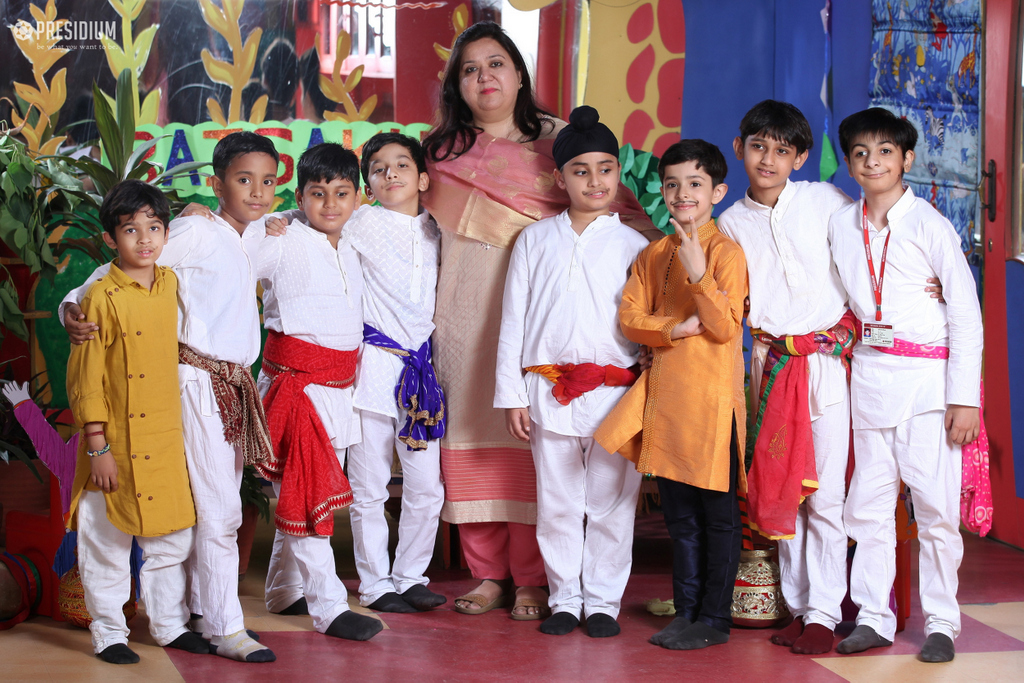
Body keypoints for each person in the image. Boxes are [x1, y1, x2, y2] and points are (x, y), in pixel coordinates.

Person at [421, 20, 658, 618]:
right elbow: (402, 225)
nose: (484, 77)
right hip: (462, 313)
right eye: (469, 69)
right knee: (472, 444)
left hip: (542, 324)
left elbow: (624, 223)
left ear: (520, 73)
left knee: (535, 455)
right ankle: (487, 575)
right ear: (458, 86)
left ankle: (533, 578)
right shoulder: (440, 153)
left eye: (495, 63)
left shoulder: (560, 146)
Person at [62, 131, 280, 663]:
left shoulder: (250, 234)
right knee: (218, 511)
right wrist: (73, 305)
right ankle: (225, 627)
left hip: (227, 386)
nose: (256, 191)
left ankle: (197, 616)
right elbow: (122, 269)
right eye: (242, 179)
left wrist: (282, 223)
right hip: (193, 383)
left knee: (203, 513)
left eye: (267, 182)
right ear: (216, 184)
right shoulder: (193, 230)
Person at [829, 107, 983, 664]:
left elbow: (966, 313)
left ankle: (942, 621)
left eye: (885, 152)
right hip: (869, 379)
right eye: (861, 154)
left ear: (907, 159)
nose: (873, 162)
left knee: (936, 508)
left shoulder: (930, 226)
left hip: (927, 386)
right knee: (866, 507)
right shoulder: (840, 226)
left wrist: (964, 398)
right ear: (849, 163)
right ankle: (874, 616)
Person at [495, 106, 648, 638]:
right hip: (547, 389)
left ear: (618, 174)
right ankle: (565, 598)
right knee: (558, 503)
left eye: (605, 168)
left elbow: (647, 329)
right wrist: (510, 394)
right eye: (581, 171)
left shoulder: (637, 247)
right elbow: (513, 318)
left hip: (615, 394)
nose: (595, 180)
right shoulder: (535, 240)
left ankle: (603, 601)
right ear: (559, 178)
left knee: (611, 504)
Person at [596, 139, 747, 650]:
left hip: (711, 403)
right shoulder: (654, 253)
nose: (683, 194)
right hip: (667, 400)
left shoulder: (726, 254)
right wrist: (674, 330)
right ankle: (686, 612)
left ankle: (715, 620)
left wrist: (699, 272)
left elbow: (725, 329)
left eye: (696, 184)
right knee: (679, 518)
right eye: (673, 184)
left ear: (718, 192)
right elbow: (630, 318)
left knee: (718, 518)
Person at [716, 100, 854, 654]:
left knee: (825, 495)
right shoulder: (729, 222)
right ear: (738, 148)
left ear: (800, 156)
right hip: (769, 365)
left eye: (781, 149)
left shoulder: (824, 200)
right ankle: (798, 607)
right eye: (758, 146)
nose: (767, 159)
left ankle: (824, 610)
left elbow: (864, 252)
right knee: (782, 489)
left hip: (826, 365)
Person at [64, 180, 204, 664]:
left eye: (154, 227)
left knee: (171, 537)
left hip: (164, 437)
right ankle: (109, 633)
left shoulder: (170, 281)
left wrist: (201, 210)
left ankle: (168, 625)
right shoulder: (100, 295)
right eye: (130, 230)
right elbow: (86, 375)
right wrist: (97, 447)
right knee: (106, 541)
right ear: (110, 240)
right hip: (115, 441)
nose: (144, 239)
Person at [255, 143, 384, 641]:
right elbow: (221, 258)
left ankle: (283, 591)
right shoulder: (280, 240)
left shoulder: (354, 239)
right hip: (295, 386)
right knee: (306, 492)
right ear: (299, 197)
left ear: (357, 197)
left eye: (341, 193)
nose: (330, 204)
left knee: (298, 489)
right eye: (317, 194)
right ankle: (329, 607)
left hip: (339, 387)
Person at [344, 132, 447, 613]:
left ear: (423, 178)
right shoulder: (357, 222)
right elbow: (300, 223)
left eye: (402, 165)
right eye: (379, 168)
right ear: (367, 183)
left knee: (427, 486)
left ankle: (410, 575)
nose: (390, 174)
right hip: (370, 369)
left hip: (420, 374)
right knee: (368, 487)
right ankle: (374, 583)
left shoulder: (438, 231)